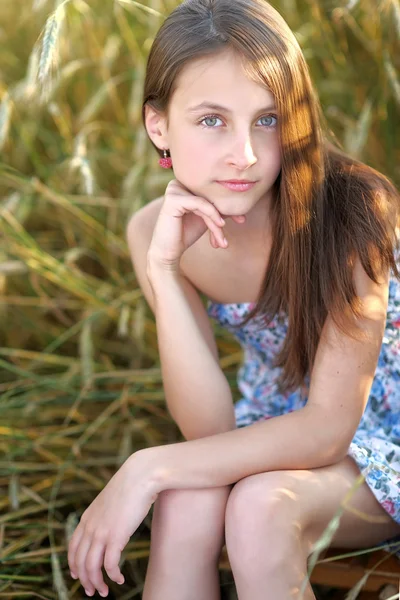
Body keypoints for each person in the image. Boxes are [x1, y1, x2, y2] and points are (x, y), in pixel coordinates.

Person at [67, 0, 400, 598]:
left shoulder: (357, 213)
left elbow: (327, 428)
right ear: (159, 126)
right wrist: (166, 272)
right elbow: (210, 427)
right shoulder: (153, 231)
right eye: (212, 120)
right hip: (272, 430)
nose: (244, 153)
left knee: (259, 507)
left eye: (267, 120)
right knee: (187, 498)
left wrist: (146, 465)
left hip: (380, 444)